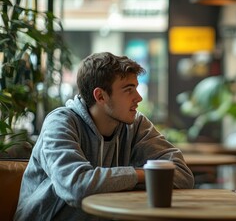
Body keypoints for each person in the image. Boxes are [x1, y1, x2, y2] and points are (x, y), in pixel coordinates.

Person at [14, 52, 194, 220]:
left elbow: (183, 175)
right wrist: (141, 175)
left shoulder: (136, 124)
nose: (138, 98)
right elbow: (75, 186)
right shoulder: (60, 123)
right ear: (100, 96)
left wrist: (108, 181)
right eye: (128, 89)